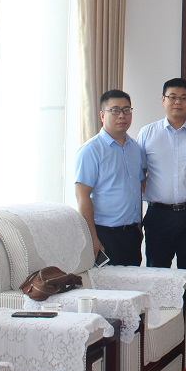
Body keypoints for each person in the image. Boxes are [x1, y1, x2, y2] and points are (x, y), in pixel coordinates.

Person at [136, 77, 186, 366]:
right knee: (157, 280)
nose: (178, 102)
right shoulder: (147, 133)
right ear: (163, 100)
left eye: (184, 97)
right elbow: (138, 177)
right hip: (158, 216)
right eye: (172, 96)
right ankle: (157, 346)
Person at [75, 89, 145, 266]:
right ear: (102, 115)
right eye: (115, 110)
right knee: (107, 283)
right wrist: (92, 237)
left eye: (126, 110)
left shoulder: (135, 149)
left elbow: (137, 189)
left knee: (133, 282)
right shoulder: (91, 150)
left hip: (132, 234)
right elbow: (82, 196)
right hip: (104, 233)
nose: (122, 115)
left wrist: (138, 226)